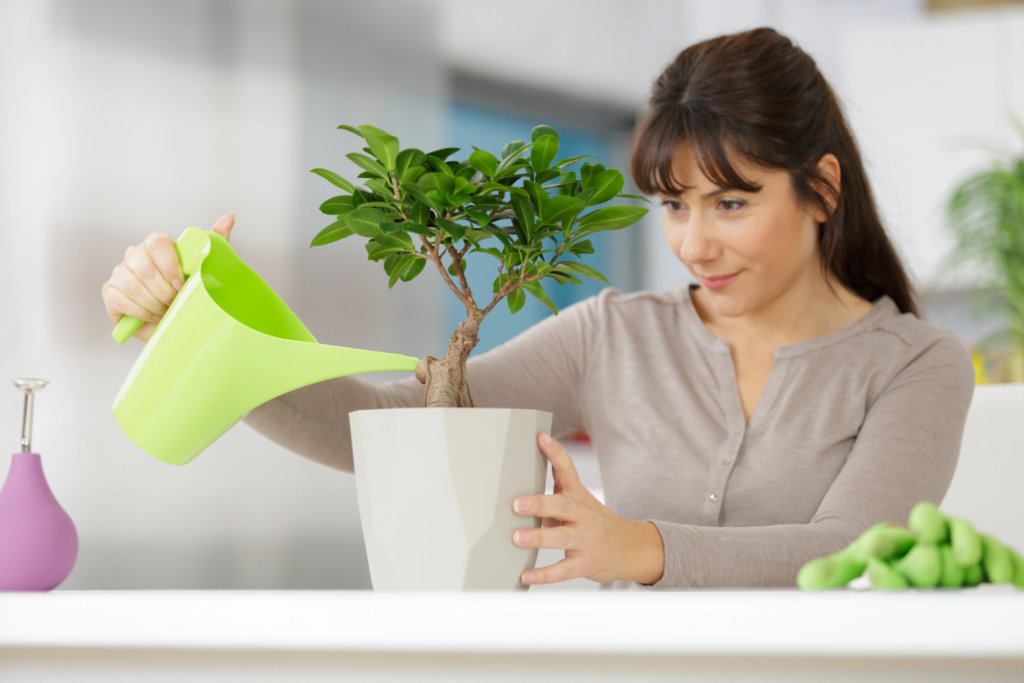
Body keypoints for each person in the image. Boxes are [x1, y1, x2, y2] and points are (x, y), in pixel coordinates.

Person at [101, 27, 975, 588]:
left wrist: (641, 547)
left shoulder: (916, 363)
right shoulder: (614, 335)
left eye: (731, 204)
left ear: (821, 188)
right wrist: (209, 331)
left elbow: (859, 545)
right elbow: (384, 426)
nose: (694, 243)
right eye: (674, 205)